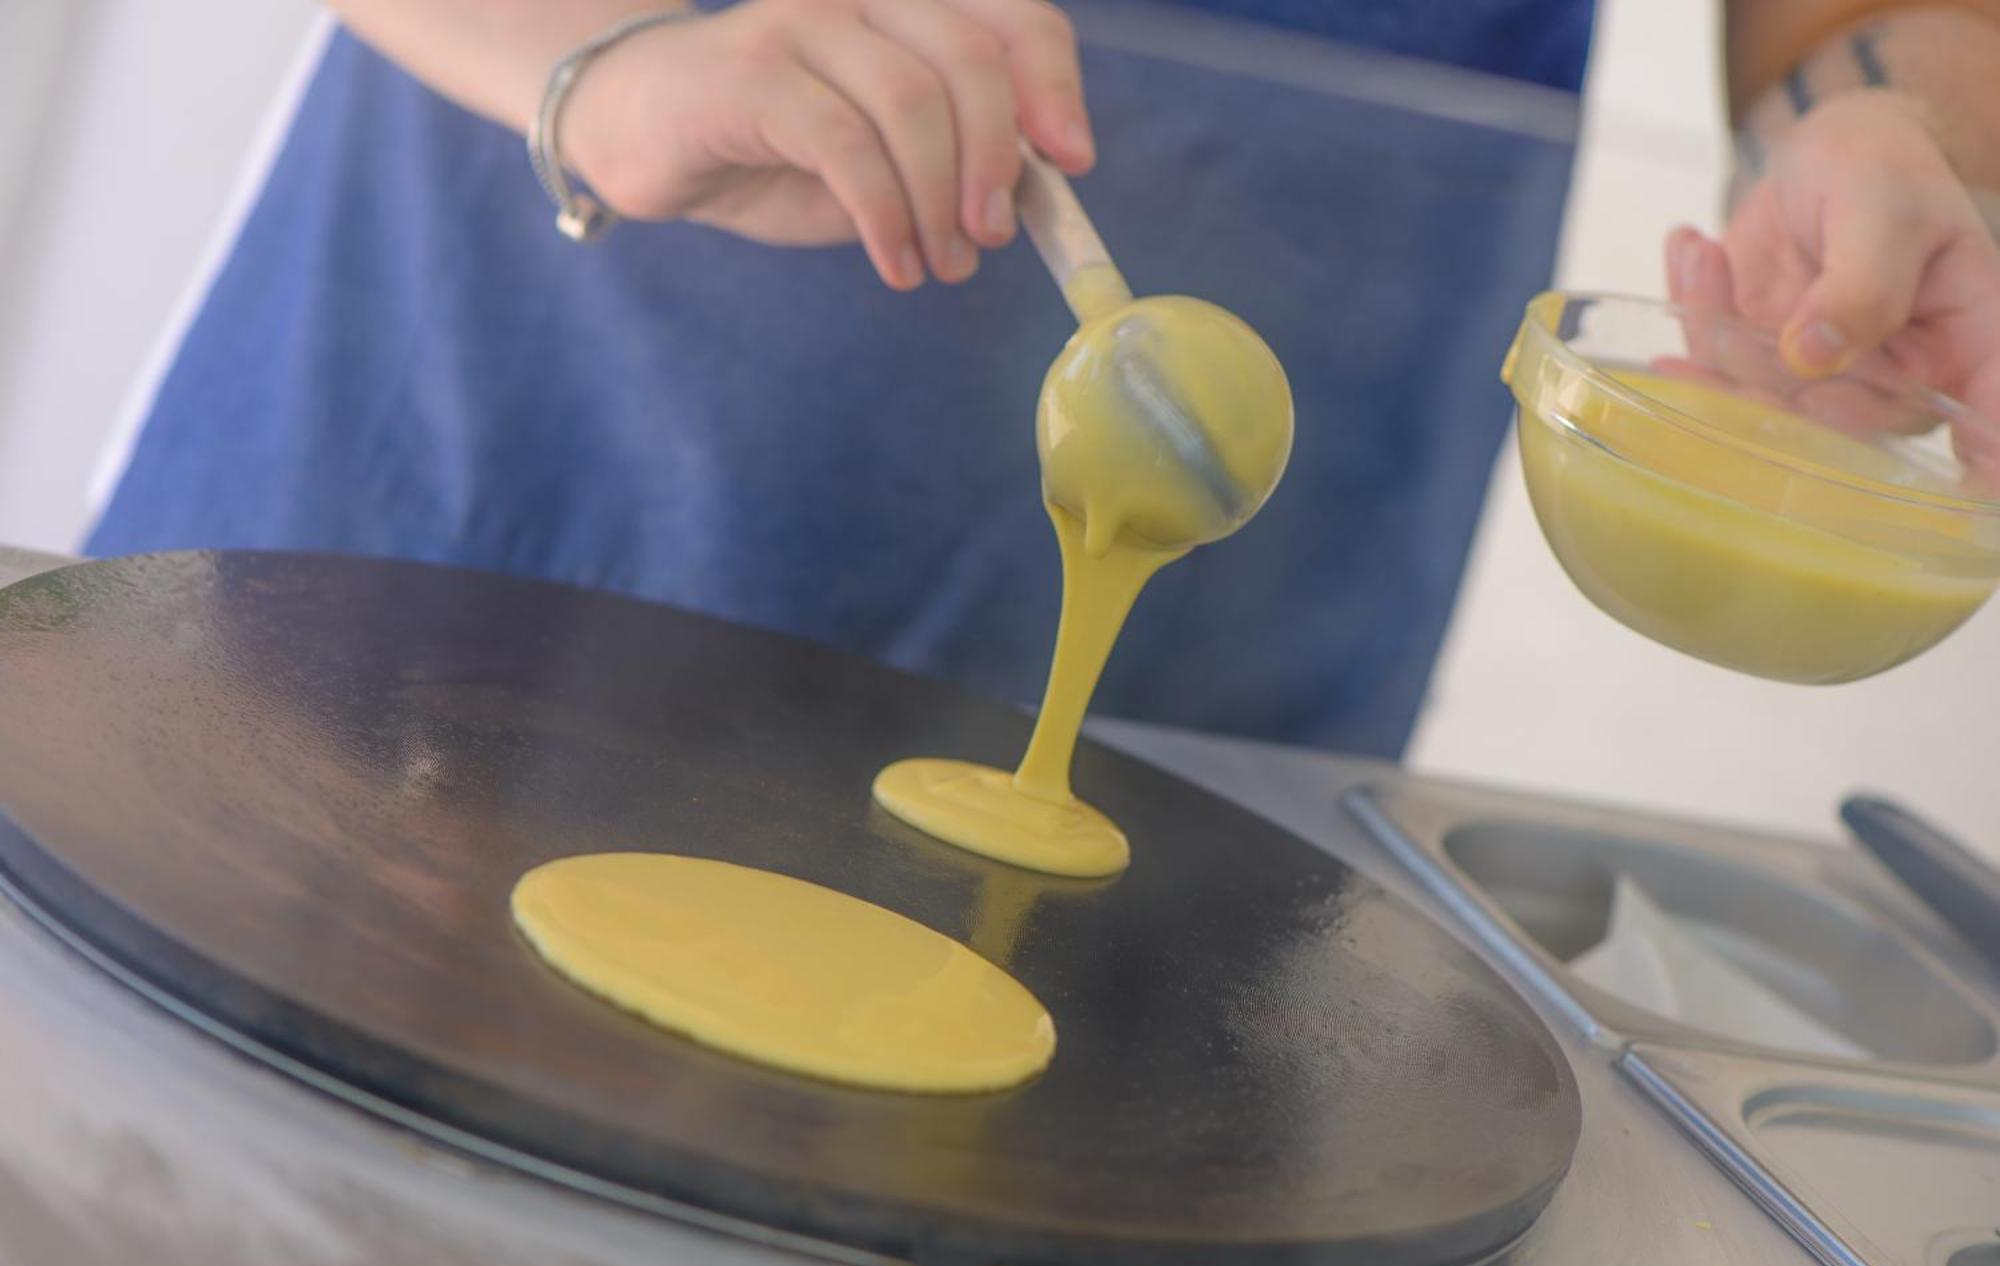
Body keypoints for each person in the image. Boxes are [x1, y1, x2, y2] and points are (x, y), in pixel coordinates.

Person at [89, 1, 2000, 757]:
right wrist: (597, 53)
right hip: (467, 491)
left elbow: (1855, 32)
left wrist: (1877, 133)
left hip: (1232, 671)